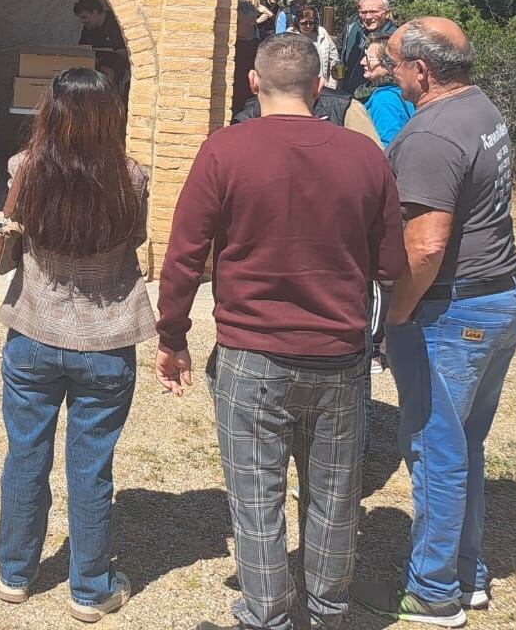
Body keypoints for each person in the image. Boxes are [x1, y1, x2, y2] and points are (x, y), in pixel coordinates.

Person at [156, 34, 406, 630]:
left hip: (251, 352)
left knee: (255, 493)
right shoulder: (364, 156)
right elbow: (391, 264)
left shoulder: (224, 151)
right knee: (334, 494)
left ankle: (265, 612)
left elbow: (184, 254)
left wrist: (172, 336)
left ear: (253, 83)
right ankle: (326, 610)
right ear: (320, 88)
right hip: (338, 352)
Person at [353, 19, 516, 627]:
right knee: (463, 444)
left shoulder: (430, 136)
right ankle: (467, 575)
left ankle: (432, 592)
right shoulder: (481, 109)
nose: (388, 70)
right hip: (498, 299)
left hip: (452, 312)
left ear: (422, 71)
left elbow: (426, 246)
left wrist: (395, 315)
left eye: (395, 62)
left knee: (434, 447)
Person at [0, 68, 155, 620]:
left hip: (35, 327)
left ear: (49, 113)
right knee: (91, 466)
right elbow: (134, 239)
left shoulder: (25, 169)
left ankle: (15, 572)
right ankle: (89, 587)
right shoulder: (131, 177)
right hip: (106, 334)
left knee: (25, 454)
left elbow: (15, 226)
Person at [233, 77, 383, 145]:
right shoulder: (247, 117)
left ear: (253, 82)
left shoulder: (345, 108)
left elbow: (373, 163)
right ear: (319, 84)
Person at [339, 0, 398, 94]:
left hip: (379, 97)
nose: (368, 17)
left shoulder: (394, 39)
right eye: (363, 12)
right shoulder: (358, 31)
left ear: (387, 13)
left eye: (373, 11)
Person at [359, 39, 415, 148]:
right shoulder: (402, 89)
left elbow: (387, 146)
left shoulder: (384, 100)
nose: (362, 62)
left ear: (387, 63)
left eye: (368, 58)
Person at [74, 0, 129, 87]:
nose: (82, 21)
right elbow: (82, 50)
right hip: (93, 67)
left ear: (95, 13)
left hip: (115, 68)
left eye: (85, 17)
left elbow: (123, 54)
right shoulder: (88, 28)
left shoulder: (116, 24)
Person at [295, 3, 340, 90]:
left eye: (311, 23)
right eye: (304, 23)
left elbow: (334, 59)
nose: (308, 26)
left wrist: (332, 84)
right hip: (299, 88)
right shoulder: (290, 37)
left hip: (323, 85)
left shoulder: (322, 33)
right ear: (297, 22)